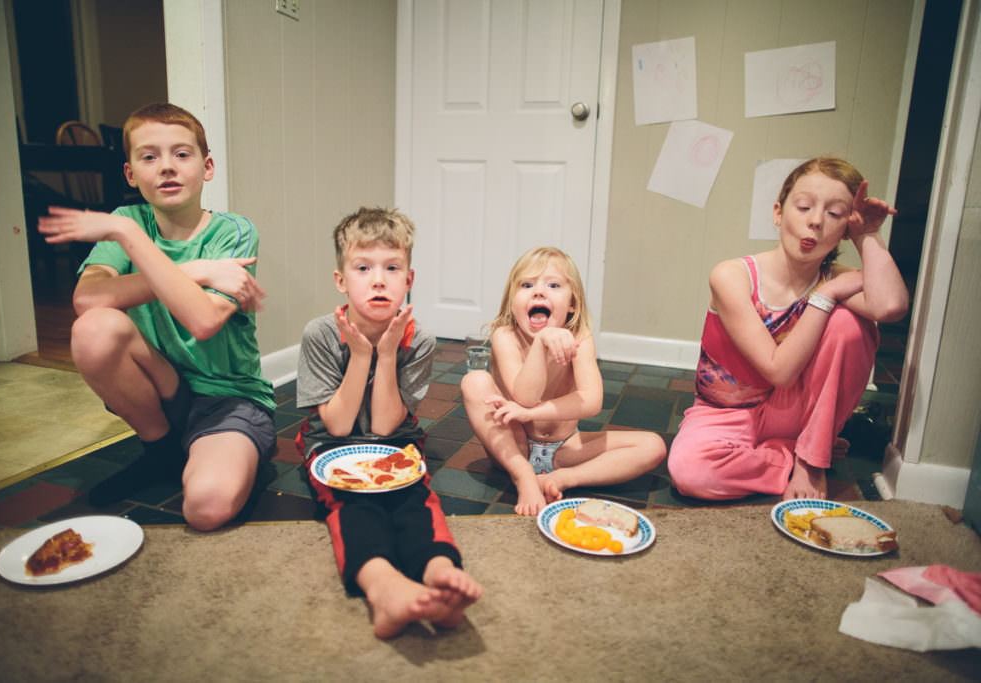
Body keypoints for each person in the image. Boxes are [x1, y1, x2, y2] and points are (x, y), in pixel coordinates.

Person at [38, 103, 276, 531]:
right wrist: (192, 269)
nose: (166, 167)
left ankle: (222, 450)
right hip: (163, 385)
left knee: (207, 507)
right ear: (131, 174)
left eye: (181, 155)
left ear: (207, 167)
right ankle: (161, 449)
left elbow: (202, 322)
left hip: (227, 398)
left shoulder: (234, 232)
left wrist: (132, 244)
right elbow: (87, 299)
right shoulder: (127, 222)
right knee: (94, 328)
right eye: (149, 157)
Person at [667, 157, 909, 501]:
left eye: (835, 214)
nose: (815, 221)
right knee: (690, 471)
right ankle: (801, 451)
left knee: (851, 324)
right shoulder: (732, 275)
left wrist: (868, 236)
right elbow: (777, 369)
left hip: (795, 410)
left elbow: (891, 306)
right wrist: (826, 296)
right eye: (805, 206)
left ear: (846, 228)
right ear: (779, 212)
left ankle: (811, 462)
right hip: (727, 412)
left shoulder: (836, 277)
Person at [295, 207, 482, 639]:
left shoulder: (419, 340)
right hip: (331, 445)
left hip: (393, 444)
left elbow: (383, 426)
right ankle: (384, 588)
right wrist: (361, 354)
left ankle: (440, 572)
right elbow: (339, 427)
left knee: (415, 499)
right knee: (353, 506)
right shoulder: (320, 334)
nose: (379, 280)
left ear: (408, 281)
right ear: (342, 281)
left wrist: (387, 351)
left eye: (392, 268)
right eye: (363, 268)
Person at [461, 247, 667, 516]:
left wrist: (531, 414)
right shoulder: (505, 336)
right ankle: (523, 476)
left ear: (572, 304)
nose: (538, 292)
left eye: (554, 285)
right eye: (526, 284)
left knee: (653, 446)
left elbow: (592, 401)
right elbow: (524, 396)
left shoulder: (580, 337)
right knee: (474, 381)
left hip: (566, 449)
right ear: (512, 301)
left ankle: (560, 479)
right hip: (514, 446)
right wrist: (541, 343)